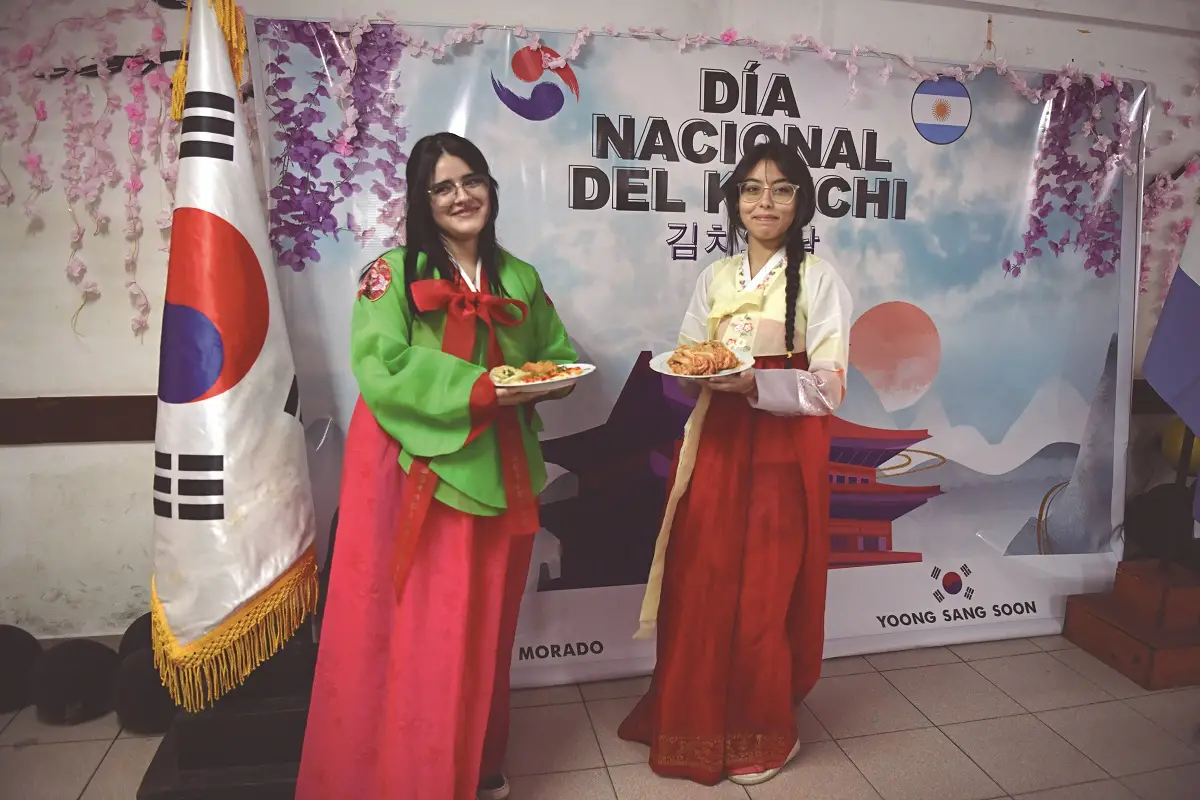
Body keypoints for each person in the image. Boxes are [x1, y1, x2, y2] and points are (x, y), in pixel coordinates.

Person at [296, 132, 578, 800]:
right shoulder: (390, 273)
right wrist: (480, 387)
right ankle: (411, 776)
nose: (462, 196)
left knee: (486, 624)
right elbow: (382, 365)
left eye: (471, 180)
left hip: (500, 467)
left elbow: (557, 354)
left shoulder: (520, 278)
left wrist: (550, 380)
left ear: (491, 188)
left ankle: (475, 758)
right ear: (422, 201)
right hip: (418, 471)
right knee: (426, 631)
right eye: (444, 187)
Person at [618, 141, 852, 786]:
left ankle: (762, 730)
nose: (765, 202)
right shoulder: (716, 277)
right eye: (751, 189)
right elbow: (690, 353)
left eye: (780, 189)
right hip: (717, 446)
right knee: (702, 581)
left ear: (801, 201)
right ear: (734, 202)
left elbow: (830, 386)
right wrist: (706, 375)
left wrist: (757, 387)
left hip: (781, 455)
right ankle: (691, 719)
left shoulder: (822, 278)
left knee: (761, 594)